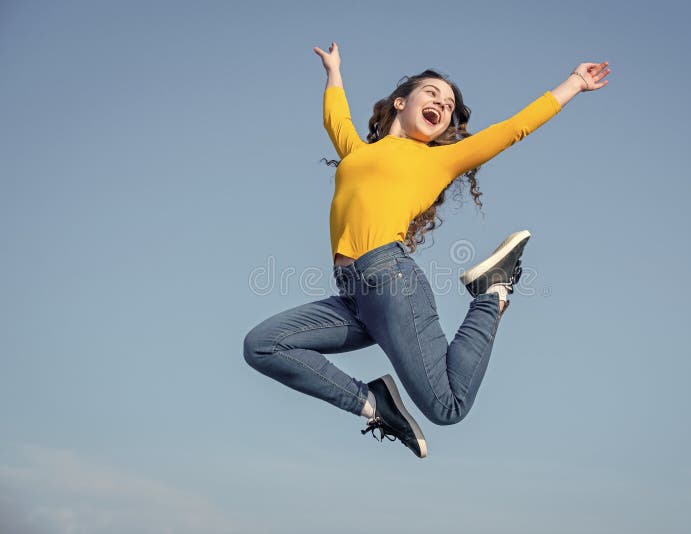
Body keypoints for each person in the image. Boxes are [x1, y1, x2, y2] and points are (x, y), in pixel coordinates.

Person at [243, 41, 610, 458]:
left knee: (448, 407)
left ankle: (493, 292)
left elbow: (512, 129)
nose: (442, 103)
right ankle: (373, 404)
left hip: (390, 280)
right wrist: (334, 72)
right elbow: (337, 121)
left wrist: (573, 84)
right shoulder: (357, 153)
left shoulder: (440, 161)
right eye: (432, 93)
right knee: (263, 344)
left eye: (449, 104)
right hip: (353, 298)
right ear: (401, 102)